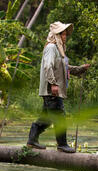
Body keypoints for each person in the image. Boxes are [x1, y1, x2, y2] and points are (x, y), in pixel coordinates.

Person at [27, 21, 90, 153]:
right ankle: (62, 145)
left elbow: (65, 68)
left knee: (47, 118)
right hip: (51, 90)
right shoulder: (51, 48)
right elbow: (48, 67)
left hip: (52, 90)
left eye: (66, 34)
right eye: (62, 34)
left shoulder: (59, 50)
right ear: (56, 35)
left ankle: (32, 140)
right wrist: (53, 84)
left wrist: (80, 69)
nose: (65, 36)